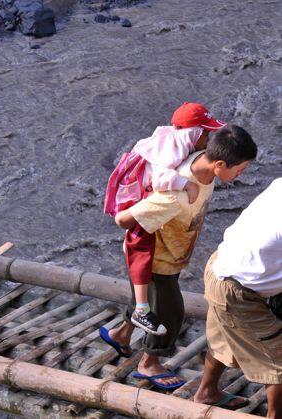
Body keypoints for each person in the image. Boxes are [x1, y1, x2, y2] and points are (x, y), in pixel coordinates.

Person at [99, 124, 257, 390]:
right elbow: (123, 220)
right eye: (240, 169)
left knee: (152, 301)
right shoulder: (174, 196)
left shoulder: (202, 159)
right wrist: (142, 212)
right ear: (219, 164)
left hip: (174, 252)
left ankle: (121, 335)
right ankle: (149, 363)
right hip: (156, 261)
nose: (243, 173)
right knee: (171, 312)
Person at [104, 103, 225, 335]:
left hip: (143, 198)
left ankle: (121, 335)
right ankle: (141, 311)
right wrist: (186, 184)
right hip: (138, 200)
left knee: (150, 281)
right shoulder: (176, 145)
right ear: (194, 132)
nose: (209, 139)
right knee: (141, 249)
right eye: (206, 133)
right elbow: (161, 178)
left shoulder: (176, 140)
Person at [193, 178, 281, 414]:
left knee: (224, 338)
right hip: (237, 290)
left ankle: (207, 392)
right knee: (279, 359)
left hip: (221, 265)